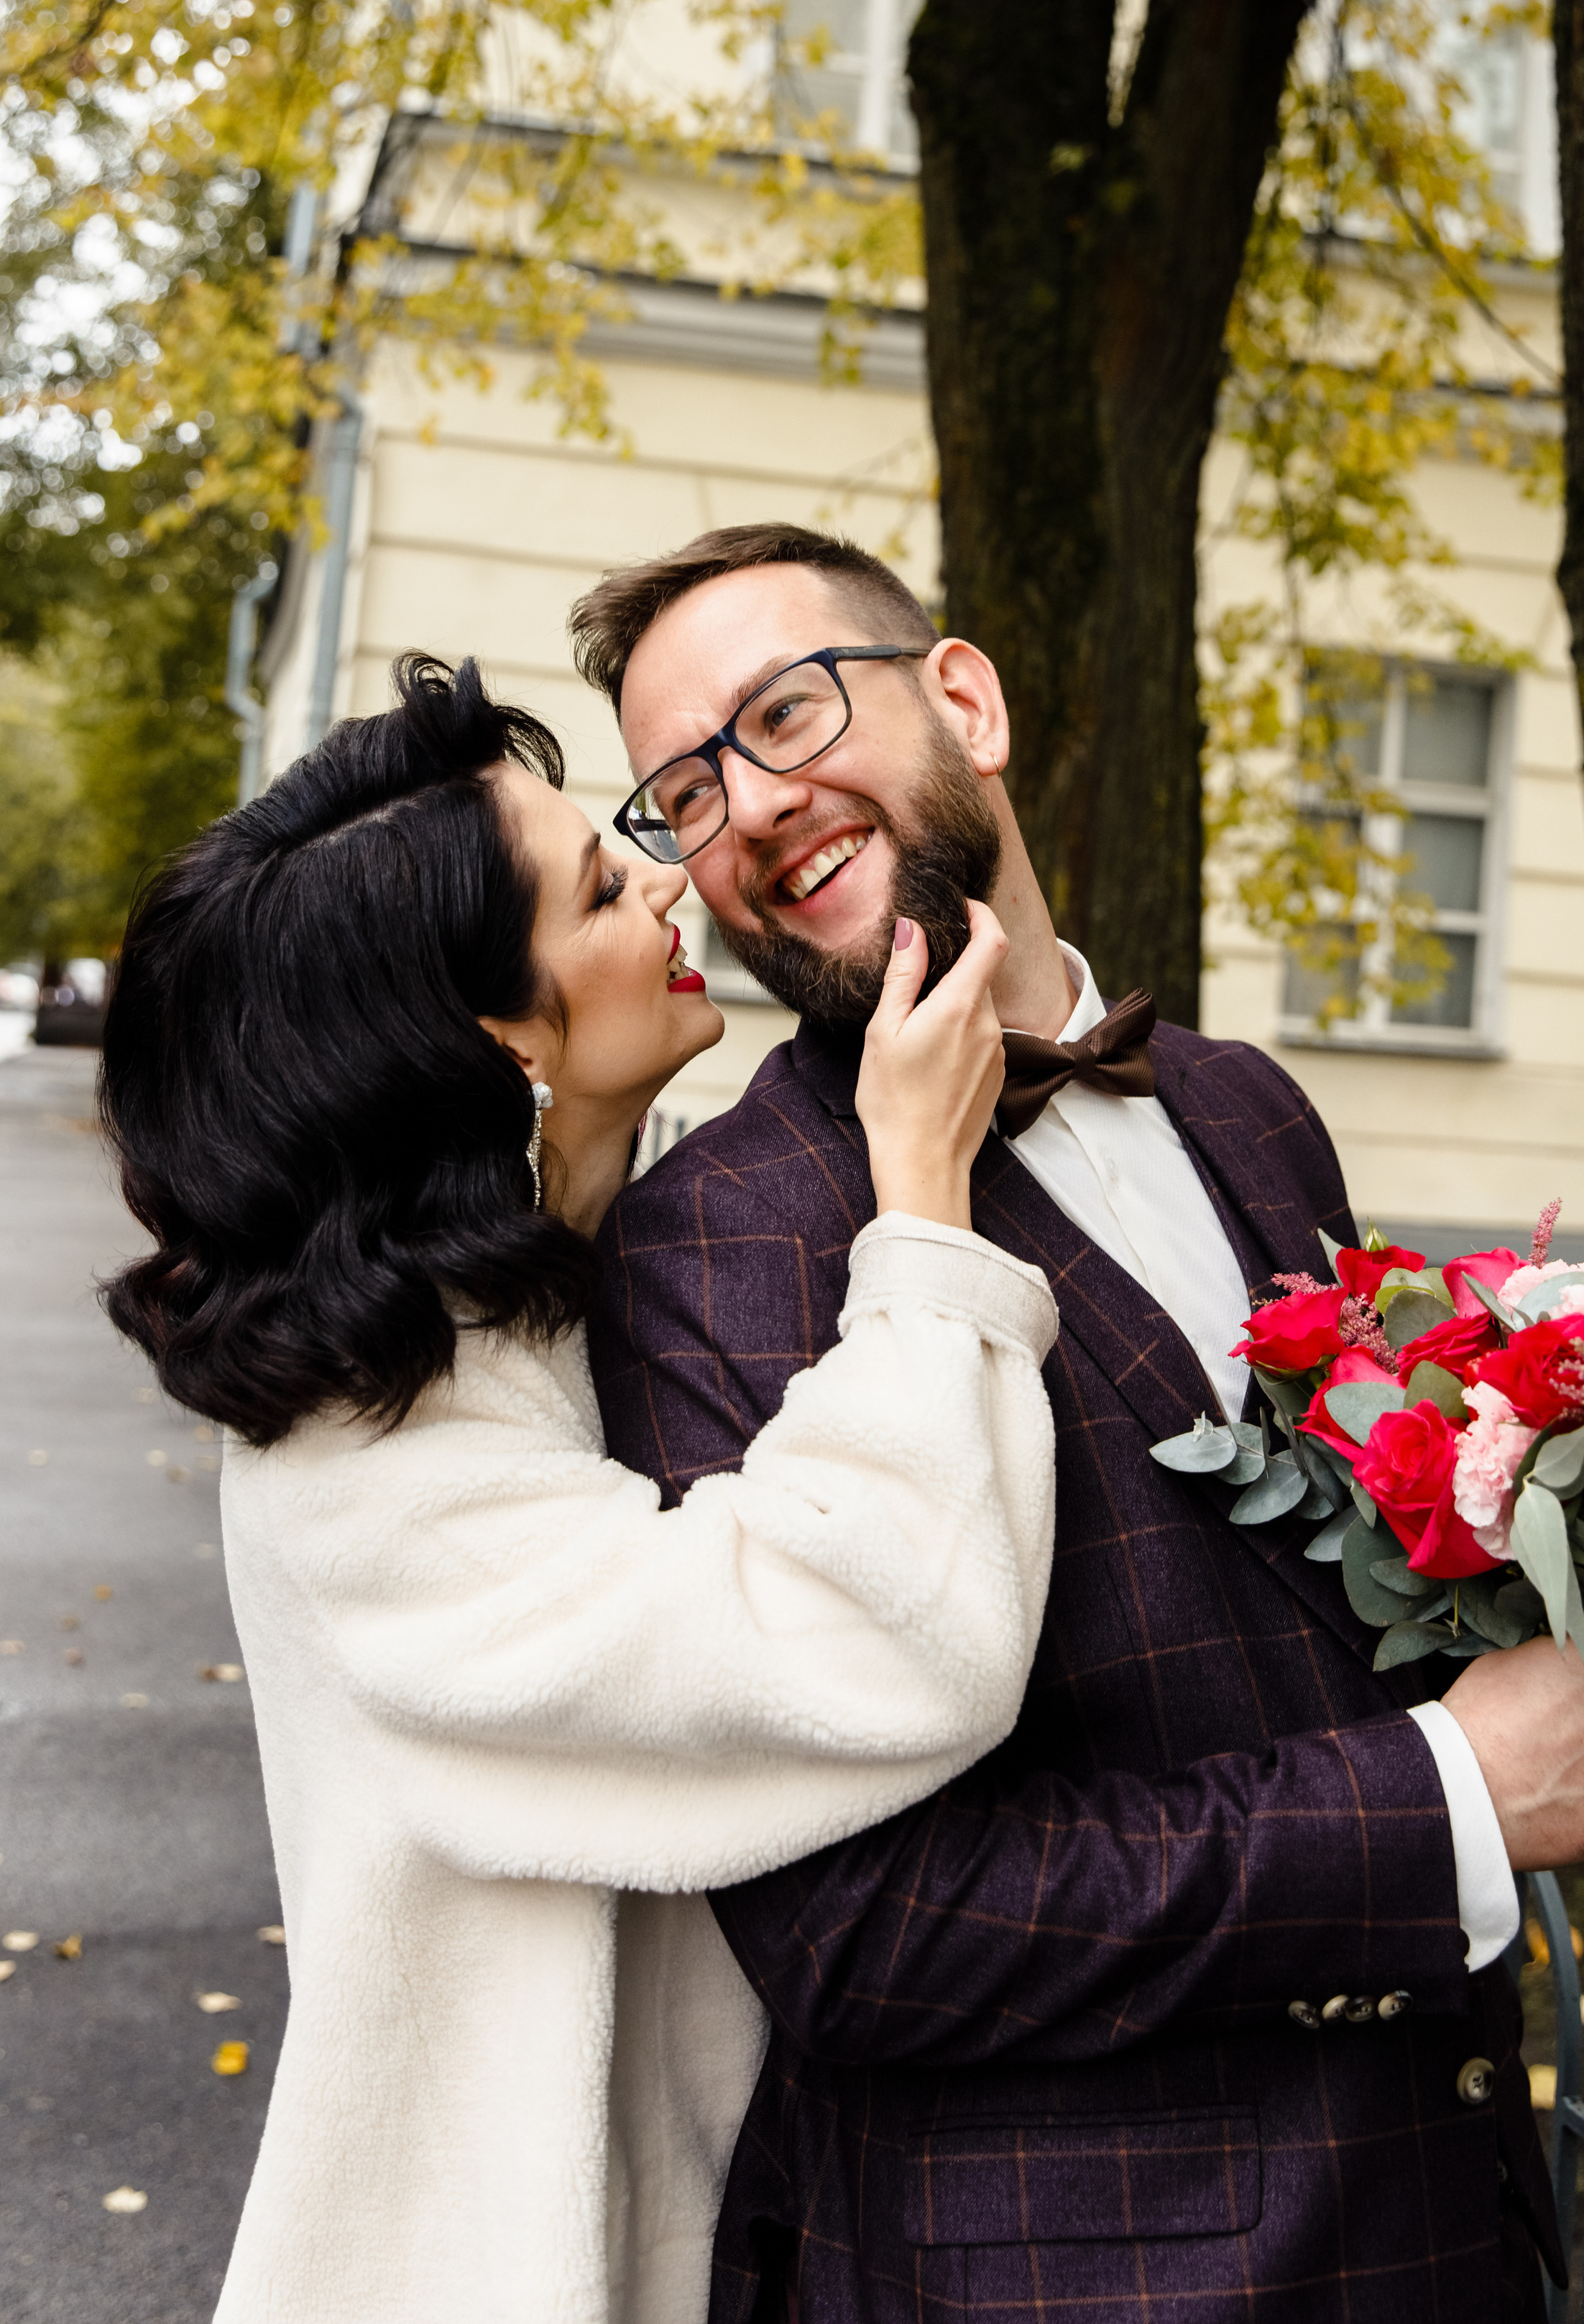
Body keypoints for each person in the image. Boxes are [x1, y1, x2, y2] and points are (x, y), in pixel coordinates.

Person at [573, 525, 1584, 2323]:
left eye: (788, 713)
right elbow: (866, 1936)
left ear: (964, 699)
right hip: (1064, 2274)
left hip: (1443, 2220)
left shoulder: (1251, 1112)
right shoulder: (704, 1248)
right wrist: (1452, 1798)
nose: (755, 806)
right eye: (687, 790)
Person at [96, 653, 1064, 2324]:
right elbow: (864, 1636)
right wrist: (921, 1208)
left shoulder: (564, 1286)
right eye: (604, 888)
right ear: (493, 1032)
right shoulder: (367, 1472)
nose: (676, 874)